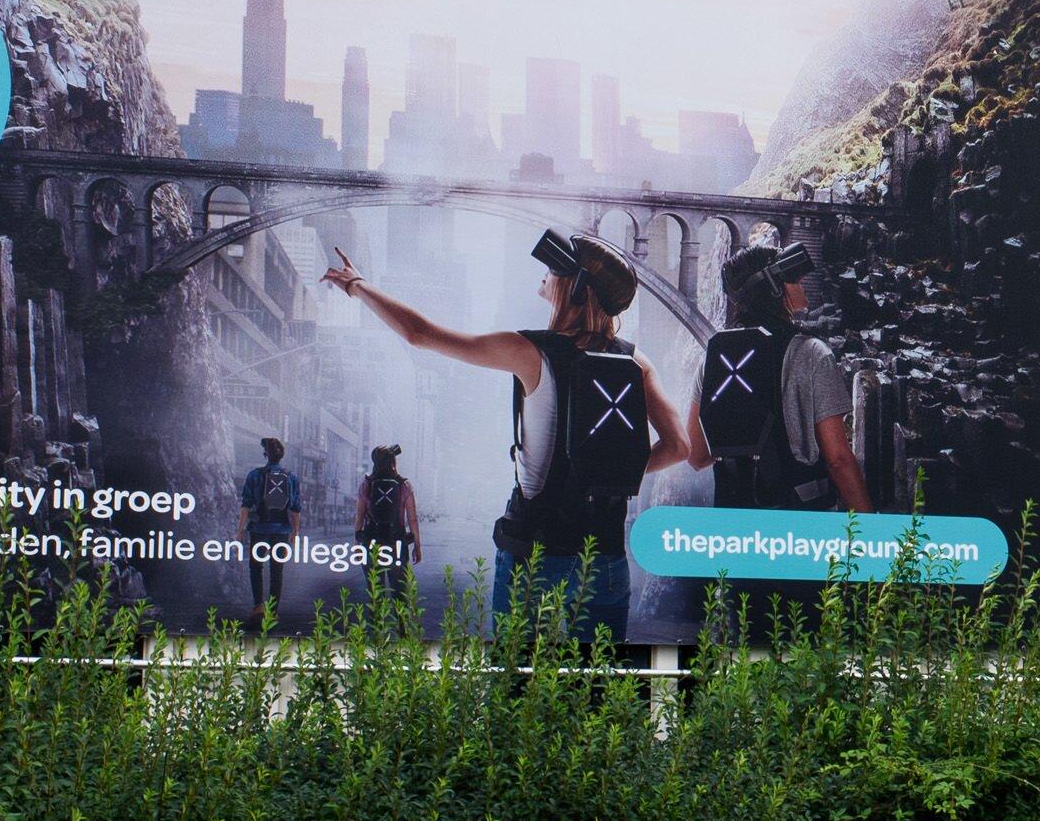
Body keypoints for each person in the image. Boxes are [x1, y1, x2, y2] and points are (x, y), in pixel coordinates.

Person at [321, 232, 699, 642]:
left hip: (534, 552)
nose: (546, 274)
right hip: (604, 557)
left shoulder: (528, 352)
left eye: (554, 269)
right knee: (599, 694)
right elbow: (679, 446)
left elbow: (420, 334)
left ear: (573, 288)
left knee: (517, 690)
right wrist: (606, 473)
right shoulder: (636, 360)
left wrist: (357, 286)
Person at [697, 242, 871, 515]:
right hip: (800, 523)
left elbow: (697, 455)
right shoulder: (812, 353)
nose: (802, 287)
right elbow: (837, 458)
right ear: (775, 288)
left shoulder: (712, 357)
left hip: (732, 525)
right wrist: (869, 528)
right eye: (796, 281)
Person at [237, 437, 300, 618]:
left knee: (256, 567)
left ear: (266, 454)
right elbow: (295, 509)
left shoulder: (254, 475)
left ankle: (258, 606)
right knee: (277, 569)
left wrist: (240, 530)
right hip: (281, 529)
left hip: (258, 529)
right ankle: (273, 611)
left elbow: (246, 505)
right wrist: (295, 532)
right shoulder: (291, 477)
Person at [355, 443, 421, 575]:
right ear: (393, 462)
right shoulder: (404, 485)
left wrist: (357, 545)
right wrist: (417, 546)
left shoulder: (366, 484)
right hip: (397, 543)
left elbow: (359, 517)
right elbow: (412, 519)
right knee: (399, 592)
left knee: (375, 590)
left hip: (371, 543)